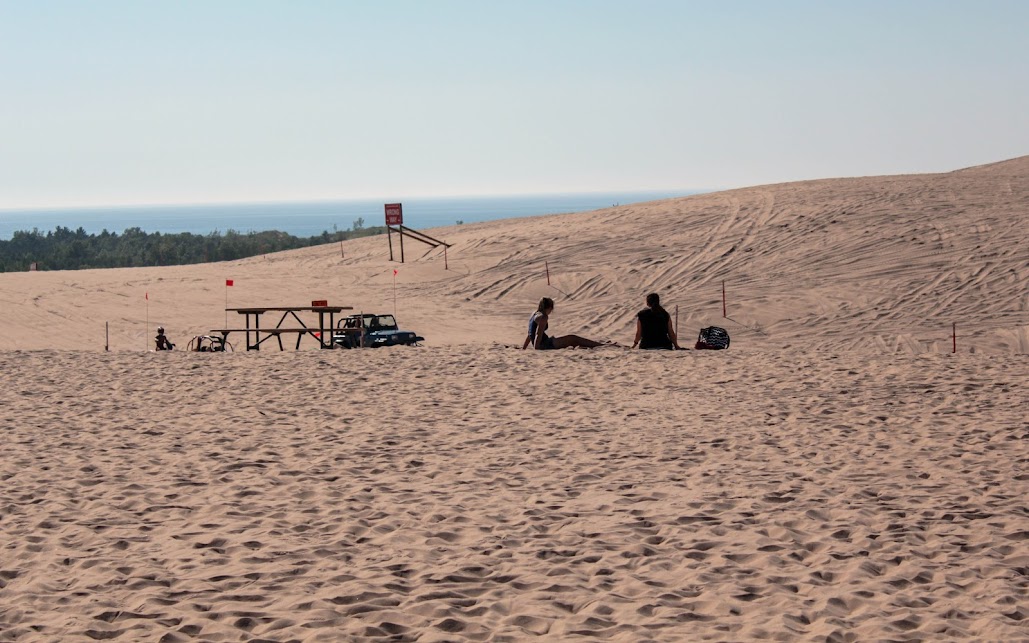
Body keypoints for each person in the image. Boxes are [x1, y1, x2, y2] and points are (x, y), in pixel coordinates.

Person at [523, 297, 605, 349]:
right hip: (545, 344)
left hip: (544, 342)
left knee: (573, 342)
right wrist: (537, 348)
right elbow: (538, 333)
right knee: (573, 338)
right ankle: (600, 345)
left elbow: (530, 333)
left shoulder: (534, 314)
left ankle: (597, 344)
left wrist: (524, 348)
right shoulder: (543, 316)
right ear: (549, 308)